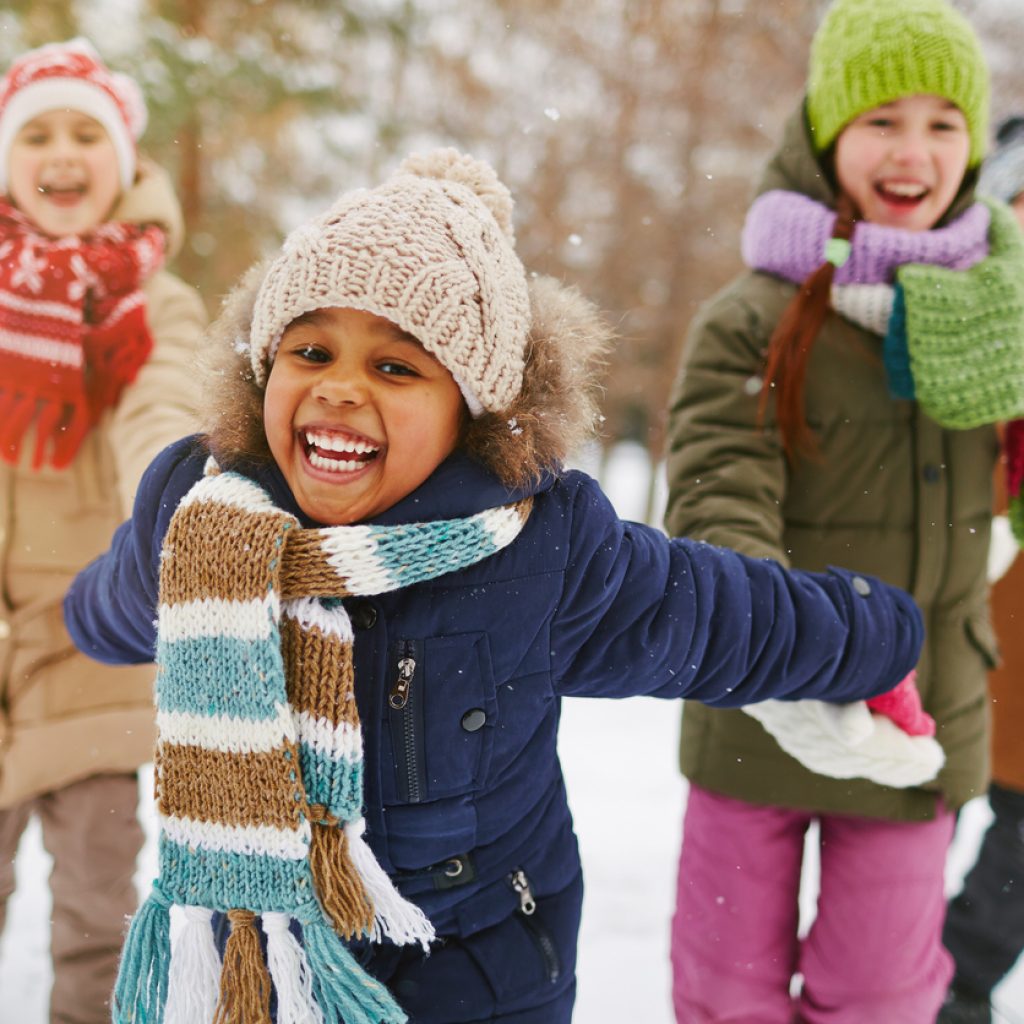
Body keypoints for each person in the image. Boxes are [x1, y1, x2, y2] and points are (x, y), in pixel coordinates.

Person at [63, 147, 927, 1024]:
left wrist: (878, 635)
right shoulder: (207, 522)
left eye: (396, 367)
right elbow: (125, 600)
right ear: (263, 372)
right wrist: (78, 616)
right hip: (267, 960)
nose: (340, 389)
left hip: (478, 968)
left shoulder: (540, 550)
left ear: (470, 408)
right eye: (311, 351)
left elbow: (718, 617)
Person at [663, 0, 1024, 1021]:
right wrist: (779, 647)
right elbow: (716, 486)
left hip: (923, 724)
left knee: (879, 994)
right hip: (760, 708)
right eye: (880, 121)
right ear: (826, 134)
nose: (912, 151)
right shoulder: (753, 316)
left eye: (942, 124)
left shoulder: (1001, 313)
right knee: (727, 989)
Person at [0, 38, 206, 1024]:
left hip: (91, 654)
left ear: (123, 162)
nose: (62, 152)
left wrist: (166, 502)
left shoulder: (149, 302)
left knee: (95, 921)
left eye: (86, 131)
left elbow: (162, 406)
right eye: (36, 133)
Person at [938, 115, 1024, 1024]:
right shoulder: (966, 290)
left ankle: (956, 987)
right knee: (929, 804)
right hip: (959, 598)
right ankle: (918, 977)